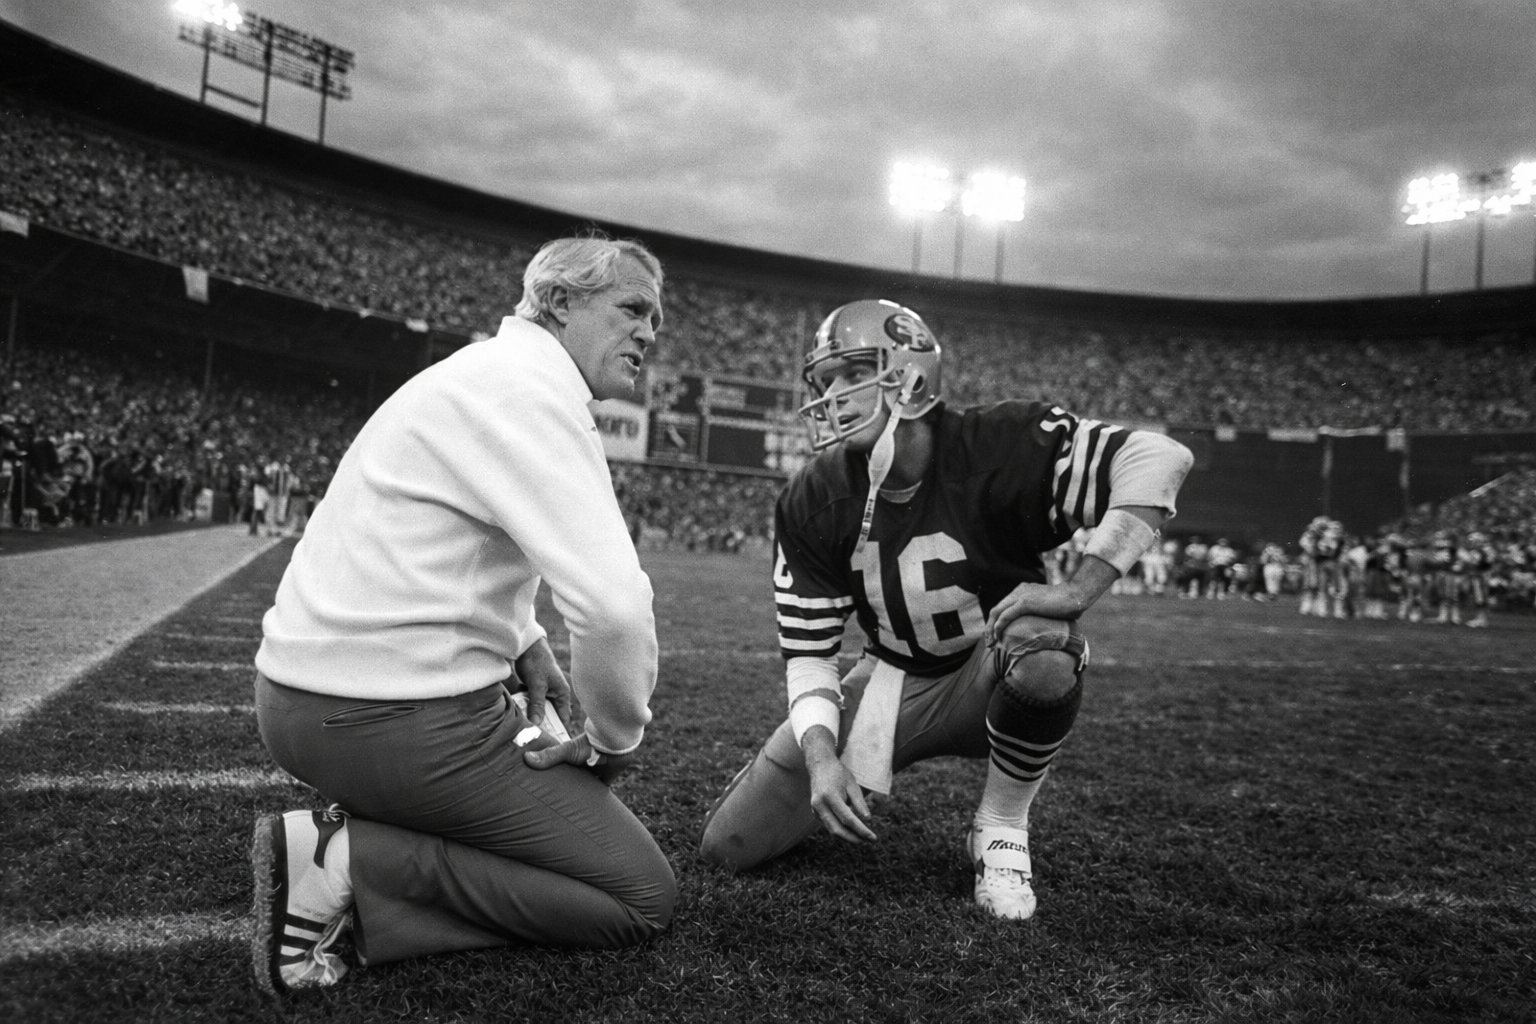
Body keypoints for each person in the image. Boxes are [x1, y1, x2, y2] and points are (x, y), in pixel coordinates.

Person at [249, 235, 675, 995]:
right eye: (633, 309)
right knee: (638, 895)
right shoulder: (530, 394)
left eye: (656, 318)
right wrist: (614, 740)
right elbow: (613, 609)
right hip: (379, 716)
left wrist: (525, 637)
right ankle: (349, 860)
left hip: (308, 699)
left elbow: (449, 543)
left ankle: (373, 836)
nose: (649, 332)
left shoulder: (485, 372)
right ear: (560, 302)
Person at [698, 299, 1193, 920]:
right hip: (889, 682)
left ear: (909, 373)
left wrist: (1078, 591)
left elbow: (1160, 458)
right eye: (826, 381)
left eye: (853, 374)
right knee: (728, 847)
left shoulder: (1000, 442)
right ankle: (824, 774)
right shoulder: (814, 494)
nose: (834, 396)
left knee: (1045, 642)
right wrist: (822, 758)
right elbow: (809, 656)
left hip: (991, 668)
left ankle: (1003, 827)